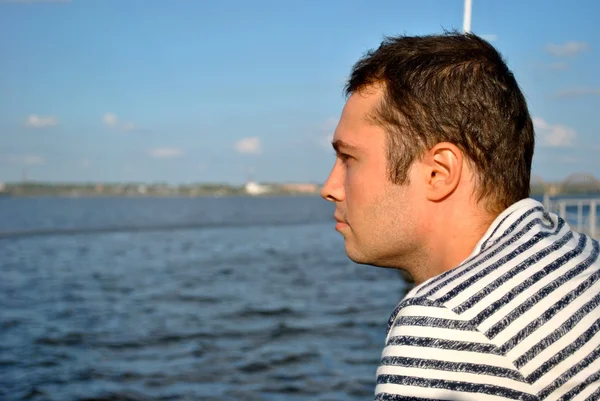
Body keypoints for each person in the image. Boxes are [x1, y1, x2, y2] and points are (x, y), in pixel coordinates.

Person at [321, 32, 600, 401]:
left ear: (438, 172)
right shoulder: (577, 252)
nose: (330, 187)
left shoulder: (446, 326)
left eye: (349, 159)